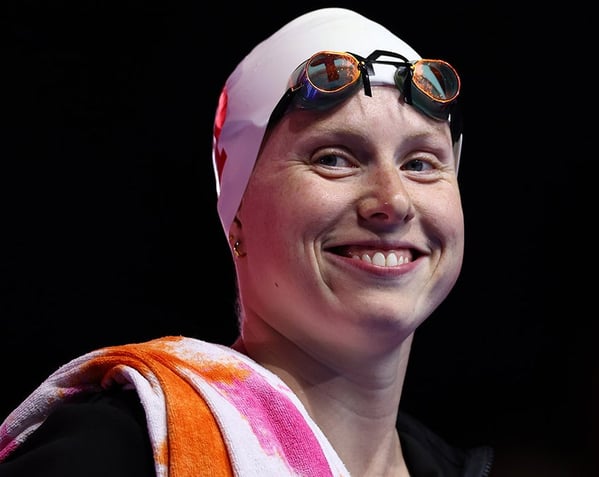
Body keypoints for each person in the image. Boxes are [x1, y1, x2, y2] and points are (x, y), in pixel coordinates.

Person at [0, 7, 493, 477]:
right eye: (335, 158)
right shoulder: (117, 449)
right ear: (235, 214)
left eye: (421, 164)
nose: (393, 200)